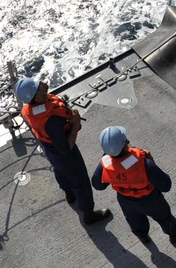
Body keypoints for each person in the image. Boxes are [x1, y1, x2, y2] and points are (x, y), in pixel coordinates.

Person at [14, 76, 111, 226]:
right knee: (80, 180)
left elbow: (45, 111)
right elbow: (66, 148)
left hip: (48, 147)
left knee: (59, 170)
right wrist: (75, 124)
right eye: (37, 85)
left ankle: (69, 193)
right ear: (38, 98)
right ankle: (88, 214)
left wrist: (59, 101)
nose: (41, 82)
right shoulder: (52, 121)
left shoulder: (27, 110)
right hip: (63, 151)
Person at [92, 126, 176, 247]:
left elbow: (98, 185)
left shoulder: (105, 166)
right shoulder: (144, 163)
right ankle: (175, 234)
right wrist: (152, 161)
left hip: (125, 201)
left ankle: (143, 236)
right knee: (164, 217)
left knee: (134, 221)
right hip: (150, 200)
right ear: (125, 143)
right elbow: (166, 185)